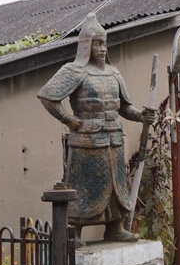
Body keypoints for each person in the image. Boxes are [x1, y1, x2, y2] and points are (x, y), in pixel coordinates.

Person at [38, 13, 155, 247]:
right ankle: (76, 232)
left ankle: (115, 228)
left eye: (104, 43)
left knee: (116, 187)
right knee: (84, 185)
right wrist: (70, 121)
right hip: (87, 141)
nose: (103, 48)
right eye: (98, 44)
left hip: (113, 139)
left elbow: (125, 107)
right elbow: (47, 97)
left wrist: (141, 117)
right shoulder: (74, 71)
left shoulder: (114, 74)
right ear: (86, 46)